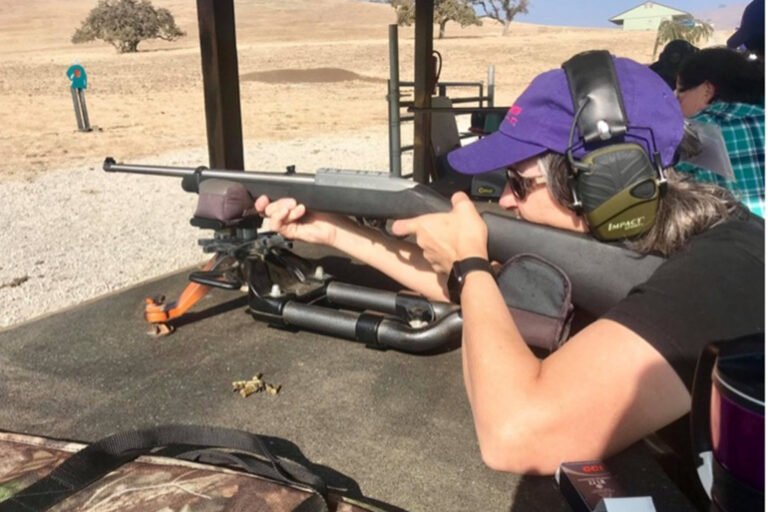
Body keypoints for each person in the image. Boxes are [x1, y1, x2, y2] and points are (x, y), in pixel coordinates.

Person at [255, 54, 764, 474]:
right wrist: (329, 230)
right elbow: (483, 299)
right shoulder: (660, 244)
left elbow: (514, 435)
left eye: (519, 182)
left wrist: (470, 264)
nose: (506, 199)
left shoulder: (728, 271)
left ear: (604, 183)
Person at [675, 47, 765, 216]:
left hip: (736, 239)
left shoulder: (693, 131)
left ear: (707, 91)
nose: (676, 101)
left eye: (681, 91)